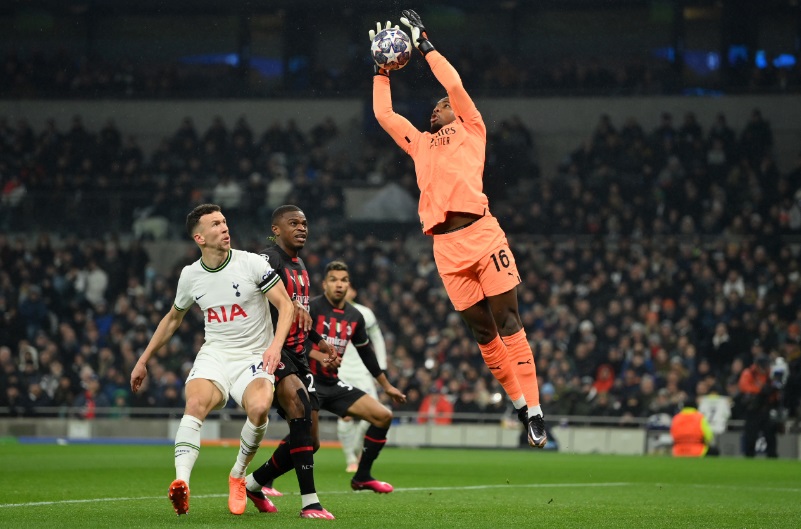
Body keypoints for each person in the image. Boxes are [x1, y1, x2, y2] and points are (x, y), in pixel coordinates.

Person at [371, 9, 546, 447]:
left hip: (484, 236)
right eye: (434, 106)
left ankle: (537, 409)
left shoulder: (473, 128)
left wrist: (424, 43)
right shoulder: (420, 144)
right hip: (445, 249)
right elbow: (385, 115)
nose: (438, 105)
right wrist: (380, 70)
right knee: (484, 333)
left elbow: (453, 85)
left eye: (442, 104)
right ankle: (520, 405)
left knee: (508, 320)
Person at [129, 203, 295, 516]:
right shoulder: (190, 275)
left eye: (224, 222)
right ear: (200, 238)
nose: (224, 227)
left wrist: (275, 346)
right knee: (195, 404)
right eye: (216, 224)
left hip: (253, 356)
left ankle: (238, 475)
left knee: (259, 410)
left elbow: (285, 306)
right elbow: (173, 319)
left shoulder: (251, 264)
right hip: (216, 354)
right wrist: (143, 359)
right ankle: (181, 483)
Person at [251, 261, 407, 495]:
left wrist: (387, 386)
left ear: (349, 285)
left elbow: (366, 352)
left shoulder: (356, 316)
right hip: (307, 380)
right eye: (333, 280)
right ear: (324, 284)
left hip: (333, 384)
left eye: (343, 280)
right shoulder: (311, 307)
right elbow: (294, 342)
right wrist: (318, 355)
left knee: (383, 416)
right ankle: (263, 480)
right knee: (309, 441)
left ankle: (362, 477)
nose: (339, 285)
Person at [242, 205, 337, 519]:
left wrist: (320, 341)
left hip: (299, 355)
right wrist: (289, 301)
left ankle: (255, 482)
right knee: (297, 406)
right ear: (276, 229)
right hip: (271, 349)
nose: (301, 228)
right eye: (293, 223)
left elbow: (298, 315)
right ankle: (310, 502)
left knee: (311, 439)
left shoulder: (301, 265)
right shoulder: (268, 258)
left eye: (305, 223)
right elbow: (252, 288)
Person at [336, 284, 389, 473]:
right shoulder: (329, 312)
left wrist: (380, 368)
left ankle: (356, 449)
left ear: (354, 291)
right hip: (340, 370)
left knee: (373, 415)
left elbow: (378, 338)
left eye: (348, 286)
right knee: (346, 416)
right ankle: (350, 458)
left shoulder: (364, 313)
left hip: (363, 371)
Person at [738, 355, 781, 458]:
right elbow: (744, 387)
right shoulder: (748, 373)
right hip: (753, 409)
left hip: (766, 408)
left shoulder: (770, 373)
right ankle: (749, 456)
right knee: (751, 435)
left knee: (770, 434)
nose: (765, 369)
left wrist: (773, 391)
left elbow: (777, 387)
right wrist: (760, 390)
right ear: (757, 366)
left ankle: (772, 455)